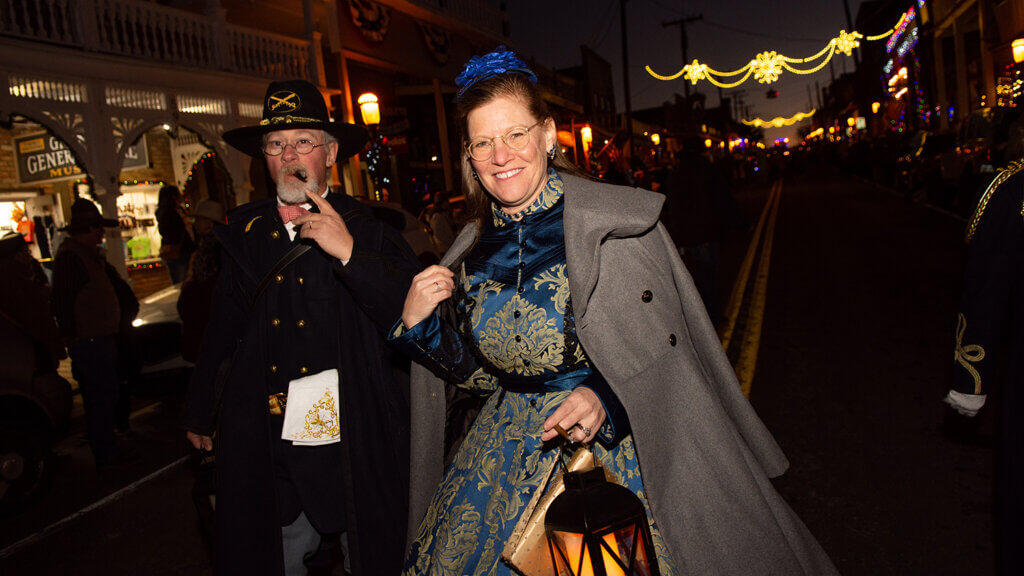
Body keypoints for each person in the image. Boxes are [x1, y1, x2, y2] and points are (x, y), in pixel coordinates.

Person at [390, 48, 838, 575]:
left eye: (515, 134)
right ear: (468, 155)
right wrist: (419, 326)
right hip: (501, 458)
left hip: (615, 455)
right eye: (483, 142)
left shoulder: (614, 225)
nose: (500, 155)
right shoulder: (469, 248)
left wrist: (605, 395)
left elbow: (668, 353)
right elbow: (484, 378)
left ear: (548, 134)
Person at [181, 79, 420, 576]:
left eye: (303, 142)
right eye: (275, 144)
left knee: (371, 550)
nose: (289, 154)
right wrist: (201, 409)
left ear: (331, 153)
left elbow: (409, 317)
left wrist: (351, 254)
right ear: (263, 157)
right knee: (274, 551)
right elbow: (222, 330)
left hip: (354, 435)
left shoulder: (371, 230)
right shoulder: (243, 237)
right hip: (269, 438)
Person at [944, 159, 1024, 575]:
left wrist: (970, 385)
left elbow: (986, 293)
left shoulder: (1013, 190)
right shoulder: (1015, 192)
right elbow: (987, 292)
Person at [51, 200, 138, 466]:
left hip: (100, 337)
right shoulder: (71, 258)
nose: (101, 234)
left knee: (106, 394)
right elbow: (63, 302)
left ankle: (107, 444)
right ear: (87, 229)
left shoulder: (87, 256)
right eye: (98, 229)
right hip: (90, 340)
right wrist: (72, 336)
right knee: (100, 396)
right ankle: (105, 450)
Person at [177, 199, 224, 363]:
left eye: (201, 219)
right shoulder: (209, 245)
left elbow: (206, 284)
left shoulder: (213, 247)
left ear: (210, 223)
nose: (196, 224)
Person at [156, 184, 196, 283]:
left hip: (184, 249)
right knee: (180, 280)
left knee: (185, 278)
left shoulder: (178, 210)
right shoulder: (166, 212)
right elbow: (167, 232)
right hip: (177, 251)